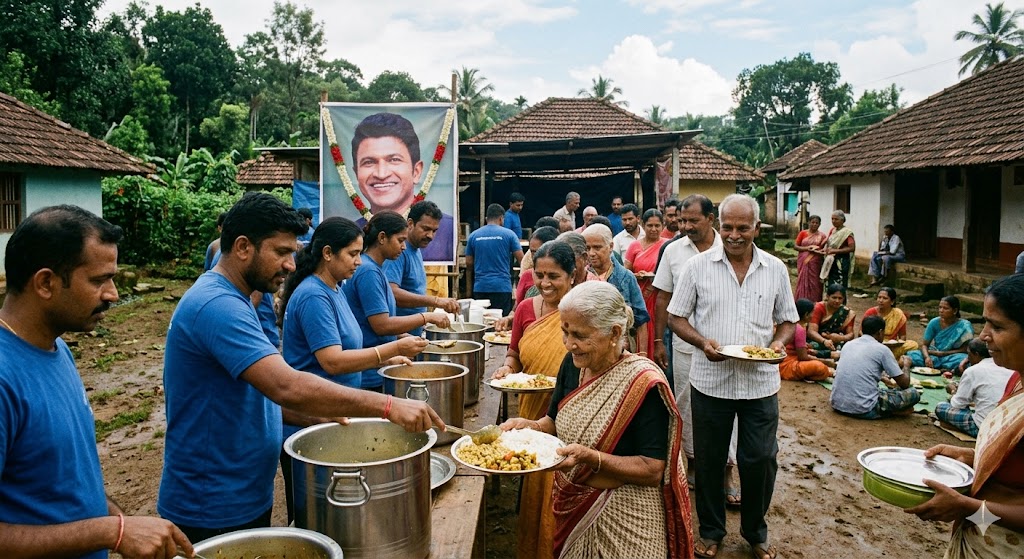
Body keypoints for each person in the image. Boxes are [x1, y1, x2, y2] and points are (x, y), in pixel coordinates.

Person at [158, 193, 445, 542]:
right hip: (213, 502)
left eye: (293, 252)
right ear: (244, 247)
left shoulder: (238, 298)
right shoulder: (217, 305)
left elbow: (251, 394)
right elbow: (287, 385)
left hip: (243, 492)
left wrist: (312, 418)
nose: (292, 264)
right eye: (281, 252)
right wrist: (387, 406)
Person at [0, 205, 193, 559]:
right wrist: (110, 532)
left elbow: (57, 479)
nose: (113, 294)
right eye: (98, 280)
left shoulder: (56, 347)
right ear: (46, 283)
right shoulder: (3, 378)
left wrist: (114, 516)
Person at [502, 281, 692, 558]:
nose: (569, 344)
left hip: (629, 518)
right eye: (565, 332)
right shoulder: (573, 363)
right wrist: (530, 426)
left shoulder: (643, 385)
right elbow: (553, 420)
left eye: (578, 335)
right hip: (573, 506)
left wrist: (591, 458)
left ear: (614, 333)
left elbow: (652, 470)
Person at [668, 193, 798, 559]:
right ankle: (711, 531)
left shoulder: (775, 269)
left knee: (760, 458)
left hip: (759, 384)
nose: (734, 235)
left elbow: (788, 320)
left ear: (757, 228)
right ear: (717, 224)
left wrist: (777, 343)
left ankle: (756, 531)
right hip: (711, 380)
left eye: (743, 228)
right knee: (709, 460)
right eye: (728, 227)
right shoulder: (697, 267)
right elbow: (676, 317)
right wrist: (701, 342)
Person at [277, 216, 427, 521]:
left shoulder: (334, 288)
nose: (359, 262)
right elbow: (331, 361)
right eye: (352, 254)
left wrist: (385, 360)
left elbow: (347, 347)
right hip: (311, 418)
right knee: (318, 517)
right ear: (328, 253)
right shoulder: (313, 295)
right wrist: (393, 348)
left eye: (360, 253)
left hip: (335, 410)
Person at [906, 274, 1024, 558]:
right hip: (985, 531)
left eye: (996, 326)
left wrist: (968, 507)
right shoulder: (1016, 381)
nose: (983, 336)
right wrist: (973, 456)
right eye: (985, 322)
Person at [491, 241, 576, 559]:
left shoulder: (580, 310)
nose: (545, 283)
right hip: (531, 408)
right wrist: (506, 368)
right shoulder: (526, 308)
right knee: (536, 480)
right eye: (539, 275)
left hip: (571, 410)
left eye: (553, 275)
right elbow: (514, 354)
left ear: (571, 276)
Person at [344, 211, 450, 392]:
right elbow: (381, 325)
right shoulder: (369, 271)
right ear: (382, 238)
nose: (403, 247)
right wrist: (426, 317)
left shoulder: (376, 269)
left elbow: (370, 322)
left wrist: (402, 336)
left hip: (380, 363)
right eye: (400, 241)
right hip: (370, 374)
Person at [351, 112, 454, 262]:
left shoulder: (447, 228)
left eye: (393, 160)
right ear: (356, 173)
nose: (381, 174)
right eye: (369, 162)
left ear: (416, 171)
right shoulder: (352, 233)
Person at [384, 201, 460, 335]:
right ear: (410, 224)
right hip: (399, 338)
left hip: (414, 335)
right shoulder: (399, 252)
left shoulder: (416, 249)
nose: (430, 236)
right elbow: (392, 293)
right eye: (425, 229)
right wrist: (436, 301)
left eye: (434, 231)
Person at [829, 316, 920, 418]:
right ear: (880, 332)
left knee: (883, 391)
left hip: (837, 404)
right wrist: (907, 365)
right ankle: (889, 412)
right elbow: (904, 384)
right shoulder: (882, 350)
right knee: (913, 393)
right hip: (863, 408)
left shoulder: (849, 345)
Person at [581, 224, 650, 336]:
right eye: (587, 248)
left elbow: (641, 320)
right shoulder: (581, 276)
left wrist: (642, 353)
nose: (591, 253)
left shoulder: (626, 277)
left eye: (597, 248)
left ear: (611, 246)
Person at [935, 339, 1014, 437]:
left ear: (976, 354)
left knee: (941, 407)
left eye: (969, 354)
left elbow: (957, 404)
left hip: (983, 428)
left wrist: (953, 391)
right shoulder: (1009, 367)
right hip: (1008, 425)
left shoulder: (973, 370)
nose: (967, 359)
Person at [465, 203, 524, 315]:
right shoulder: (510, 235)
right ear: (502, 218)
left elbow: (469, 264)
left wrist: (469, 291)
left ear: (486, 219)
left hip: (480, 287)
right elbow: (522, 260)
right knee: (501, 323)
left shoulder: (473, 235)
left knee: (481, 321)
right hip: (502, 287)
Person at [625, 208, 667, 356]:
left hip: (660, 299)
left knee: (659, 335)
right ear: (643, 225)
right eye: (650, 225)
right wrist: (637, 275)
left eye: (657, 225)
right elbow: (626, 274)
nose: (654, 229)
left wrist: (655, 276)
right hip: (639, 298)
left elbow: (671, 275)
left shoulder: (667, 246)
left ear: (663, 225)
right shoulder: (634, 246)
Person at [907, 296, 974, 371]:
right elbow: (924, 345)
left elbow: (965, 349)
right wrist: (927, 358)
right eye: (940, 307)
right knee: (912, 355)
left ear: (955, 311)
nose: (941, 311)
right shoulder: (934, 322)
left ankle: (943, 366)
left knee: (964, 360)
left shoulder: (965, 326)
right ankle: (943, 367)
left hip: (952, 356)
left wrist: (943, 353)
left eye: (945, 308)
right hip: (935, 355)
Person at [780, 299, 836, 381]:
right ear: (806, 314)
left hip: (780, 362)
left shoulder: (788, 323)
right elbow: (803, 357)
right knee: (820, 367)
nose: (813, 315)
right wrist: (826, 362)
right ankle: (829, 373)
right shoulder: (799, 329)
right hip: (786, 365)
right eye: (812, 312)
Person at [861, 287, 919, 359]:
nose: (881, 300)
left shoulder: (898, 314)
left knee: (913, 345)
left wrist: (898, 344)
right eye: (879, 297)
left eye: (885, 298)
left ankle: (889, 356)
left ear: (892, 301)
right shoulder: (871, 312)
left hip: (892, 346)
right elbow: (861, 332)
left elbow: (903, 335)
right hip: (873, 344)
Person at [807, 284, 856, 359]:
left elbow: (850, 334)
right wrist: (824, 341)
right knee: (811, 347)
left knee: (849, 348)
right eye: (834, 297)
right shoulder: (819, 308)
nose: (837, 301)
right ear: (827, 296)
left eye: (840, 298)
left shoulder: (847, 313)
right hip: (818, 340)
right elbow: (812, 331)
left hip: (836, 342)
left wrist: (840, 338)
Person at [515, 226, 560, 304]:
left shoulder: (565, 276)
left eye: (539, 251)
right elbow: (518, 306)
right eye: (532, 252)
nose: (535, 256)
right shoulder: (527, 275)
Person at [793, 215, 827, 301]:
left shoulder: (822, 236)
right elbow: (796, 246)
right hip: (803, 261)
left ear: (819, 224)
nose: (814, 224)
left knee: (815, 283)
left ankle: (815, 302)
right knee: (802, 281)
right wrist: (807, 248)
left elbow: (824, 249)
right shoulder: (803, 233)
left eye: (817, 223)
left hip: (816, 262)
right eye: (812, 222)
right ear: (809, 223)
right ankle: (801, 301)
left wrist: (819, 251)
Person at [820, 210, 855, 290]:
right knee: (829, 283)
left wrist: (835, 251)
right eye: (832, 219)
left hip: (841, 262)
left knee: (840, 285)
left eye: (836, 219)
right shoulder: (833, 230)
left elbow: (852, 248)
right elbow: (828, 242)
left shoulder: (847, 232)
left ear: (842, 220)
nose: (833, 221)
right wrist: (823, 250)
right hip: (830, 261)